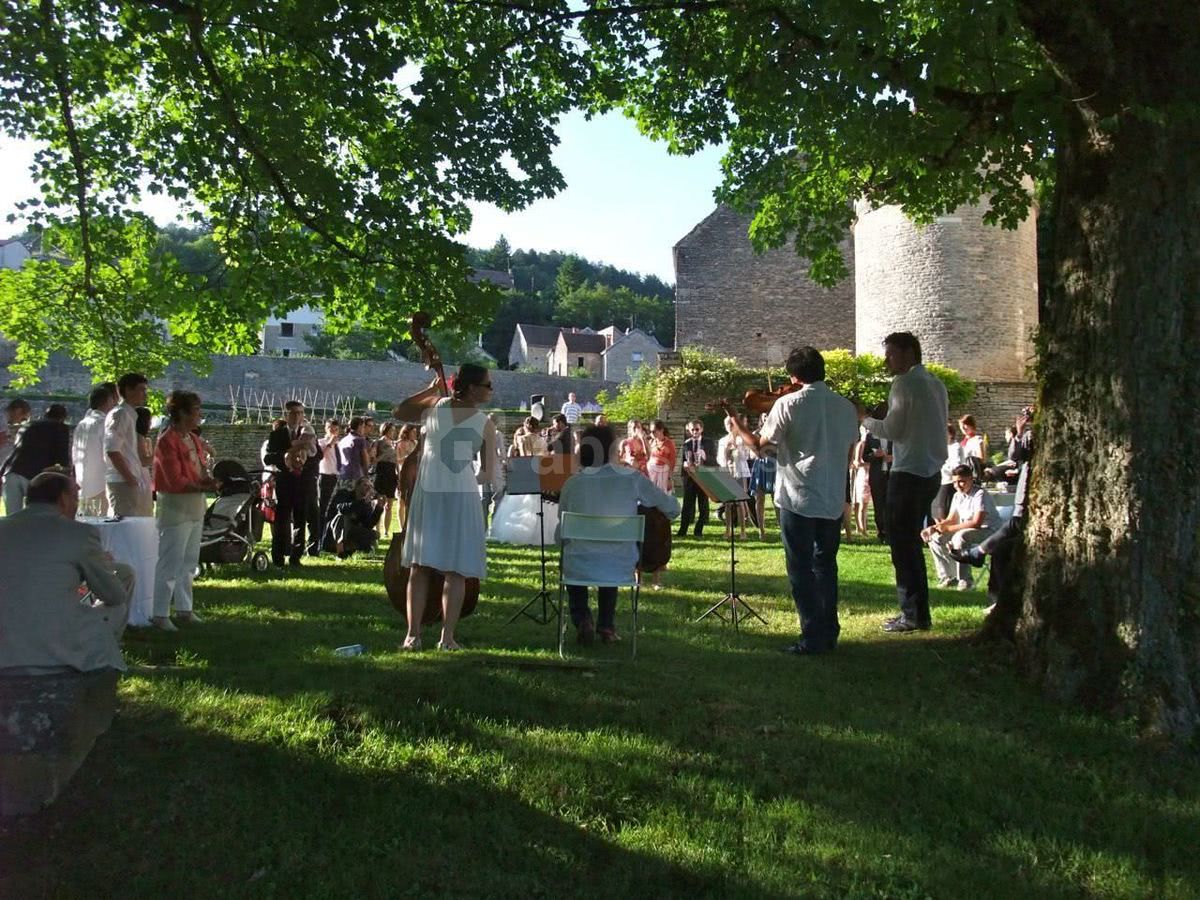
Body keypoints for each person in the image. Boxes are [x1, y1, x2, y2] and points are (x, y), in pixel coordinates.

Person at [722, 347, 858, 655]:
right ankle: (829, 632)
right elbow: (849, 452)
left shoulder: (788, 403)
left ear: (794, 377)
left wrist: (737, 422)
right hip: (833, 495)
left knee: (800, 568)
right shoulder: (845, 407)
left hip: (798, 496)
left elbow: (759, 447)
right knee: (826, 565)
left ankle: (812, 636)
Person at [394, 364, 498, 652]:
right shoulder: (485, 423)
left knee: (420, 565)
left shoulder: (435, 406)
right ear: (473, 388)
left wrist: (431, 389)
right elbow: (488, 474)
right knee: (457, 568)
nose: (491, 390)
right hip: (460, 492)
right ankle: (447, 638)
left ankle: (412, 636)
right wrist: (464, 475)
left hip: (429, 488)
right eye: (488, 384)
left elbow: (400, 412)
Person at [557, 424, 680, 645]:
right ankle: (606, 626)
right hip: (621, 564)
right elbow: (672, 508)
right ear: (613, 450)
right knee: (609, 556)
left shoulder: (571, 484)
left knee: (576, 561)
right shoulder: (631, 478)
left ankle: (582, 618)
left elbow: (561, 533)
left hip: (579, 563)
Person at [861, 332, 950, 634]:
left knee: (903, 546)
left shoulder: (904, 384)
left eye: (891, 354)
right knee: (910, 544)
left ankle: (912, 614)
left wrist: (864, 419)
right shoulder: (937, 385)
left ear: (909, 353)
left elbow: (892, 430)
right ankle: (917, 612)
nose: (886, 360)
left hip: (908, 471)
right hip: (931, 472)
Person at [0, 470, 131, 673]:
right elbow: (114, 595)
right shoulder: (80, 533)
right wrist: (96, 567)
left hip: (6, 641)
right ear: (63, 499)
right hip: (55, 642)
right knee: (118, 605)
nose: (77, 506)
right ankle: (99, 663)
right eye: (75, 499)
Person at [151, 391, 218, 631]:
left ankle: (184, 609)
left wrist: (208, 480)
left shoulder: (193, 439)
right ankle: (159, 613)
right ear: (182, 413)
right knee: (170, 561)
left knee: (189, 561)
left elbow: (198, 469)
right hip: (175, 506)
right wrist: (204, 485)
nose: (200, 415)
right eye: (196, 410)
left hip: (194, 504)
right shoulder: (166, 441)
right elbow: (173, 479)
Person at [922, 463, 999, 591]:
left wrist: (948, 529)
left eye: (961, 482)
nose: (957, 486)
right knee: (935, 538)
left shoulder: (980, 494)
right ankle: (948, 576)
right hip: (966, 529)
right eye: (954, 483)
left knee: (960, 537)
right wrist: (935, 528)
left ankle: (965, 580)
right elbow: (951, 519)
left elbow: (976, 523)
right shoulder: (957, 495)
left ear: (971, 479)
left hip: (988, 531)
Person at [263, 400, 320, 568]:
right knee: (281, 520)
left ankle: (296, 557)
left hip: (303, 483)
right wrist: (287, 456)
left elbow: (319, 455)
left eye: (301, 413)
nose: (297, 416)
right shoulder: (277, 434)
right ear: (286, 414)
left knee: (300, 520)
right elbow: (268, 457)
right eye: (294, 413)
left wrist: (303, 464)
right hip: (285, 482)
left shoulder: (308, 433)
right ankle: (278, 557)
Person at [1, 403, 71, 514]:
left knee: (12, 516)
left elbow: (16, 450)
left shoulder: (27, 426)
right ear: (63, 418)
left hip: (11, 471)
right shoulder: (60, 428)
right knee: (36, 514)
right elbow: (62, 458)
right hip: (34, 475)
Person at [104, 372, 152, 517]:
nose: (145, 394)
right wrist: (130, 478)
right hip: (122, 480)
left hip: (130, 479)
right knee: (125, 526)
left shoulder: (130, 415)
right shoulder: (120, 414)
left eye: (145, 390)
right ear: (128, 390)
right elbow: (112, 450)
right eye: (141, 389)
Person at [72, 384, 118, 516]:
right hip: (100, 482)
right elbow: (109, 452)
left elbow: (74, 453)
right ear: (108, 401)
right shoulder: (103, 423)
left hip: (84, 481)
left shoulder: (82, 423)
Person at [677, 419, 717, 536]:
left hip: (703, 477)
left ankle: (698, 530)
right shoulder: (686, 443)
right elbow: (684, 460)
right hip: (689, 478)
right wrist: (684, 465)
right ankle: (682, 530)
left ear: (701, 429)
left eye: (697, 429)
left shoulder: (708, 442)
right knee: (687, 505)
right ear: (689, 430)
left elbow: (714, 461)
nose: (694, 432)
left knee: (703, 504)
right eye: (692, 430)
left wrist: (706, 457)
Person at [717, 416, 752, 539]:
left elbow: (746, 457)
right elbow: (719, 459)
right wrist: (726, 452)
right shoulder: (722, 441)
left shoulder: (741, 439)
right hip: (727, 472)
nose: (730, 427)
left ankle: (743, 531)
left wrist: (737, 450)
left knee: (740, 502)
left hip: (740, 472)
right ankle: (728, 529)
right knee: (727, 503)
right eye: (727, 424)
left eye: (732, 424)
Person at [931, 424, 967, 521]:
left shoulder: (955, 447)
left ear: (950, 434)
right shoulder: (941, 447)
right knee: (935, 513)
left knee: (943, 512)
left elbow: (956, 467)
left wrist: (940, 465)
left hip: (948, 483)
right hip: (939, 482)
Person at [373, 422, 400, 537]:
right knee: (379, 502)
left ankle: (386, 532)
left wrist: (398, 474)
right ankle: (377, 529)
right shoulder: (378, 442)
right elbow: (374, 459)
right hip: (381, 471)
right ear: (385, 430)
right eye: (391, 430)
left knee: (389, 504)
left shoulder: (394, 444)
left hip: (391, 472)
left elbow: (396, 460)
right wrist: (383, 455)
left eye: (394, 430)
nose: (393, 433)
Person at [317, 418, 342, 536]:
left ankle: (330, 533)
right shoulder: (321, 442)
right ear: (326, 429)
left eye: (336, 430)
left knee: (335, 506)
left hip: (337, 477)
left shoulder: (340, 444)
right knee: (323, 506)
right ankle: (319, 532)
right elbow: (319, 457)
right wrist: (329, 444)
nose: (333, 432)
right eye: (331, 429)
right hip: (325, 476)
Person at [336, 416, 371, 488]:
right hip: (356, 475)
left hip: (343, 474)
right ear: (359, 426)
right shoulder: (359, 440)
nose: (364, 429)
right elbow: (365, 460)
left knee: (345, 497)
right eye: (363, 427)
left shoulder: (343, 440)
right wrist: (366, 475)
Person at [646, 420, 676, 494]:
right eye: (650, 431)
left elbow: (672, 461)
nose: (651, 434)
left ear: (661, 430)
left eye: (654, 431)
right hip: (651, 473)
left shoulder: (669, 443)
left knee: (662, 495)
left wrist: (669, 478)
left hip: (664, 474)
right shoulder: (651, 442)